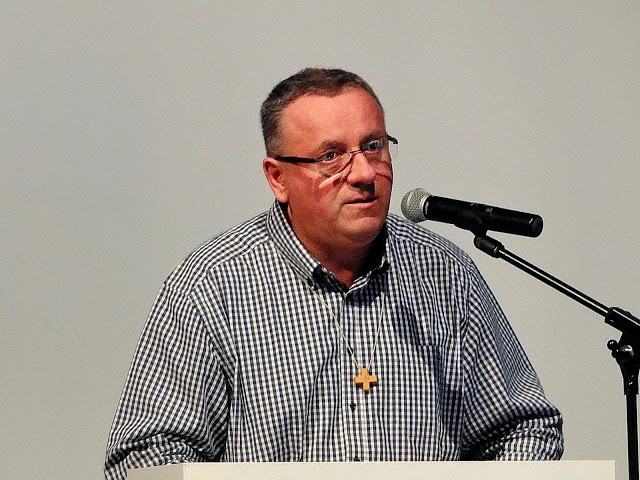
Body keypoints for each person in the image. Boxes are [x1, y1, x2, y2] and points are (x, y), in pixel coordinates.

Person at [104, 68, 563, 480]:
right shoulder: (212, 284)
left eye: (373, 146)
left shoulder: (443, 273)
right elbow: (145, 456)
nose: (364, 173)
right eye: (331, 156)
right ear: (277, 177)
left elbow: (522, 428)